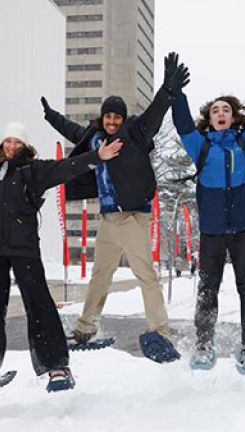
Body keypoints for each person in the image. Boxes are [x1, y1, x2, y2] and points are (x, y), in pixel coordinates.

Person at [0, 73, 123, 393]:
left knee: (39, 305)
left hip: (24, 248)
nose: (11, 146)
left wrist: (98, 157)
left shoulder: (34, 171)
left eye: (17, 142)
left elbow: (68, 168)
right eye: (7, 141)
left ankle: (57, 368)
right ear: (3, 144)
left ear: (24, 146)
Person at [40, 53, 189, 363]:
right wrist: (50, 115)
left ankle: (161, 332)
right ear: (102, 117)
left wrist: (168, 90)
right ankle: (85, 328)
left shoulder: (134, 133)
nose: (112, 122)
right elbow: (71, 130)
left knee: (145, 273)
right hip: (109, 217)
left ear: (122, 119)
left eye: (116, 117)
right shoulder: (94, 138)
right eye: (108, 117)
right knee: (100, 274)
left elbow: (154, 113)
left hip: (133, 214)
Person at [170, 42, 245, 373]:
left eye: (225, 109)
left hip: (243, 228)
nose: (220, 113)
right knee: (207, 290)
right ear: (209, 119)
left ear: (233, 116)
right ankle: (203, 344)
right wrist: (176, 92)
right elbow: (183, 123)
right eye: (214, 110)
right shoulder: (200, 147)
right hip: (212, 231)